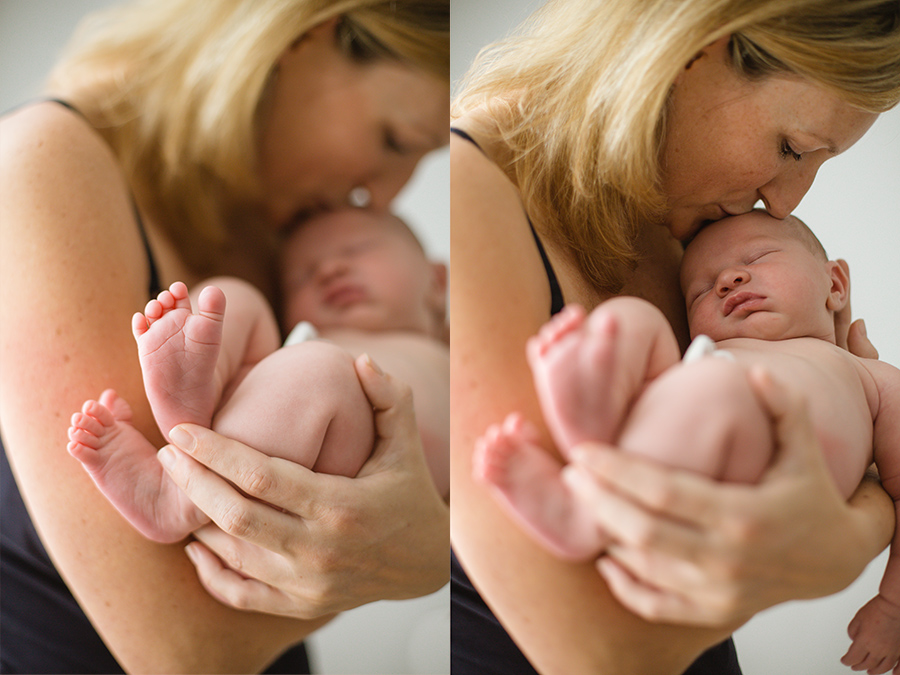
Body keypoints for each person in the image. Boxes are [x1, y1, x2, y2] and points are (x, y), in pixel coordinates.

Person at [450, 0, 900, 673]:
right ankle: (589, 474)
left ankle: (592, 456)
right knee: (632, 339)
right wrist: (846, 539)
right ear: (693, 45)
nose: (785, 202)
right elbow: (604, 652)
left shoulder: (688, 219)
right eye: (792, 149)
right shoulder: (471, 190)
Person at [0, 0, 448, 672]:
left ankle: (190, 426)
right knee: (236, 312)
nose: (383, 196)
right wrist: (413, 555)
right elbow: (190, 650)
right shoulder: (44, 159)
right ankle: (180, 470)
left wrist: (429, 548)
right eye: (394, 139)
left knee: (244, 319)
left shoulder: (284, 232)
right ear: (307, 35)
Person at [473, 209, 900, 673]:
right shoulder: (714, 353)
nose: (728, 281)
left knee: (716, 389)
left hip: (737, 441)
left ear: (835, 285)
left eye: (757, 257)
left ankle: (581, 502)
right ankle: (592, 421)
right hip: (690, 399)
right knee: (632, 320)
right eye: (700, 290)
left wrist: (893, 607)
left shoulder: (873, 379)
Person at [67, 209, 449, 543]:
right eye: (302, 276)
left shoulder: (455, 355)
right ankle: (201, 387)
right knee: (233, 297)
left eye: (357, 250)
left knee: (317, 369)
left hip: (337, 451)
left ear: (437, 281)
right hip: (280, 398)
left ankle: (172, 495)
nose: (330, 270)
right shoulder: (311, 343)